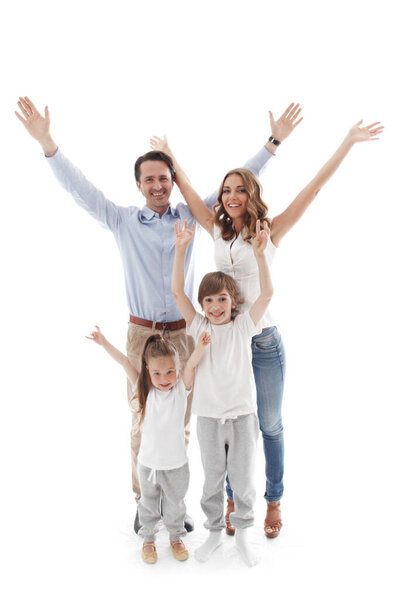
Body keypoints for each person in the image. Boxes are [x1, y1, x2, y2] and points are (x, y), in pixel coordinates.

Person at [14, 95, 299, 533]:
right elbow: (80, 190)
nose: (158, 185)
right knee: (143, 421)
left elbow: (237, 186)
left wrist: (273, 142)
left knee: (182, 422)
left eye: (164, 178)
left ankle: (176, 506)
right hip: (141, 334)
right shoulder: (122, 220)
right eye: (149, 179)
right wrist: (48, 144)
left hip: (185, 333)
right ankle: (145, 502)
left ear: (172, 181)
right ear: (139, 185)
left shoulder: (190, 215)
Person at [151, 116, 384, 539]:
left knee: (269, 424)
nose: (233, 195)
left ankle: (272, 499)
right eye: (227, 189)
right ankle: (233, 499)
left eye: (241, 188)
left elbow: (312, 190)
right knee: (224, 421)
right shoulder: (216, 232)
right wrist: (170, 155)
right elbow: (186, 190)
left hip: (261, 343)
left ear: (252, 193)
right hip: (222, 345)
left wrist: (348, 141)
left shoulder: (269, 232)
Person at [172, 218, 273, 566]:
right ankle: (214, 532)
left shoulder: (244, 324)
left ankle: (243, 535)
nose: (216, 306)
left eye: (222, 299)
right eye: (209, 300)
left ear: (233, 301)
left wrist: (260, 255)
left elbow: (268, 294)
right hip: (209, 418)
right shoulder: (198, 325)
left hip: (243, 416)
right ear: (202, 305)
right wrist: (182, 249)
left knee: (243, 480)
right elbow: (176, 293)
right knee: (213, 480)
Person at [86, 325, 210, 563]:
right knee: (148, 504)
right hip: (148, 465)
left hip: (176, 465)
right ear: (148, 371)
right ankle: (149, 539)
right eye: (157, 373)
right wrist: (104, 343)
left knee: (175, 504)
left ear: (177, 369)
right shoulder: (145, 392)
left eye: (170, 372)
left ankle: (175, 536)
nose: (164, 379)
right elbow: (124, 362)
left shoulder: (180, 391)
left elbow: (192, 364)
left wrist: (202, 346)